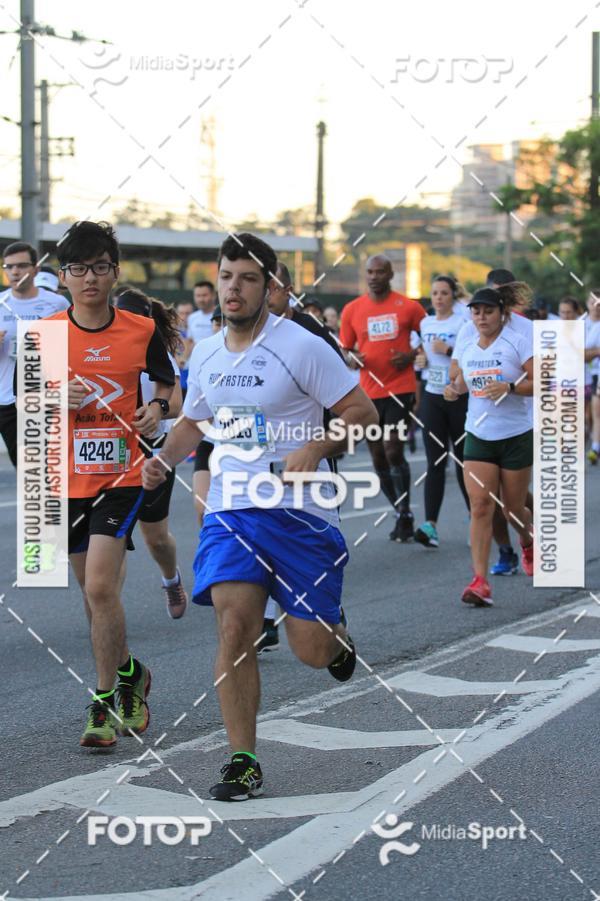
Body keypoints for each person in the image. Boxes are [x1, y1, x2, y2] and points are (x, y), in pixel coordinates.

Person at [142, 233, 377, 801]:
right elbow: (195, 421)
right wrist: (162, 459)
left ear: (270, 286)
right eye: (227, 276)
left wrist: (316, 448)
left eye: (248, 278)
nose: (234, 288)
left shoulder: (299, 346)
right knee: (234, 626)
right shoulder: (208, 352)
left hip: (300, 511)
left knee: (311, 652)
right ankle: (241, 760)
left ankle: (337, 639)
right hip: (233, 506)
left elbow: (361, 411)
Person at [51, 221, 174, 748]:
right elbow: (23, 405)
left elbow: (169, 384)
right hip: (67, 478)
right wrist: (56, 397)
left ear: (114, 272)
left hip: (122, 476)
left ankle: (102, 705)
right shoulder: (46, 336)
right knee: (93, 595)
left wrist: (157, 407)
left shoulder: (140, 331)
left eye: (100, 267)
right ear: (64, 277)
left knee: (101, 586)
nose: (90, 278)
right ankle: (130, 674)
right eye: (78, 268)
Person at [445, 286, 534, 607]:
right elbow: (460, 379)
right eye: (476, 311)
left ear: (502, 313)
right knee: (481, 506)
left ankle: (527, 539)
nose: (481, 317)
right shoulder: (467, 343)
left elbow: (542, 380)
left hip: (516, 435)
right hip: (479, 435)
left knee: (512, 510)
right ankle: (479, 581)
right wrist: (453, 389)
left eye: (488, 311)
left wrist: (510, 386)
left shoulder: (517, 341)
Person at [339, 254, 426, 542]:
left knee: (392, 448)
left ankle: (404, 512)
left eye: (380, 272)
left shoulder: (408, 307)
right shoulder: (353, 309)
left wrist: (412, 355)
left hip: (400, 388)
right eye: (370, 272)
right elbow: (345, 349)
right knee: (377, 455)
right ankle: (402, 510)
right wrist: (352, 358)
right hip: (369, 392)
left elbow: (431, 333)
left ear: (390, 275)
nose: (374, 276)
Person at [115, 288, 188, 619]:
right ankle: (107, 611)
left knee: (156, 538)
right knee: (111, 537)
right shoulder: (104, 350)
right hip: (113, 455)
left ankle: (171, 579)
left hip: (155, 452)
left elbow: (176, 404)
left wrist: (155, 412)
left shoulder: (159, 353)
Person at [0, 241, 70, 466]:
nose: (15, 271)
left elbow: (72, 348)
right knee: (25, 469)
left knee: (42, 469)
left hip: (43, 397)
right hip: (6, 399)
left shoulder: (56, 303)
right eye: (8, 267)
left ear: (36, 270)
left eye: (21, 265)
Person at [413, 277, 470, 548]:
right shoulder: (426, 323)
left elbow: (469, 357)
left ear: (452, 296)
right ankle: (430, 525)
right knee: (434, 462)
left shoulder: (463, 322)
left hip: (458, 397)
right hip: (433, 396)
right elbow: (424, 357)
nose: (438, 298)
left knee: (462, 461)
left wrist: (446, 349)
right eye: (435, 293)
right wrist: (422, 359)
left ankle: (476, 519)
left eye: (444, 293)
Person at [584, 290, 600, 464]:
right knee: (590, 415)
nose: (596, 307)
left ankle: (595, 447)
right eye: (593, 302)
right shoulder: (580, 324)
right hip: (580, 377)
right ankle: (594, 445)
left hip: (595, 375)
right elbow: (581, 355)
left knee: (594, 413)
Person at [187, 280, 217, 344]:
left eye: (204, 295)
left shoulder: (222, 316)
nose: (201, 299)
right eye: (198, 295)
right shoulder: (192, 317)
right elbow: (190, 342)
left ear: (214, 295)